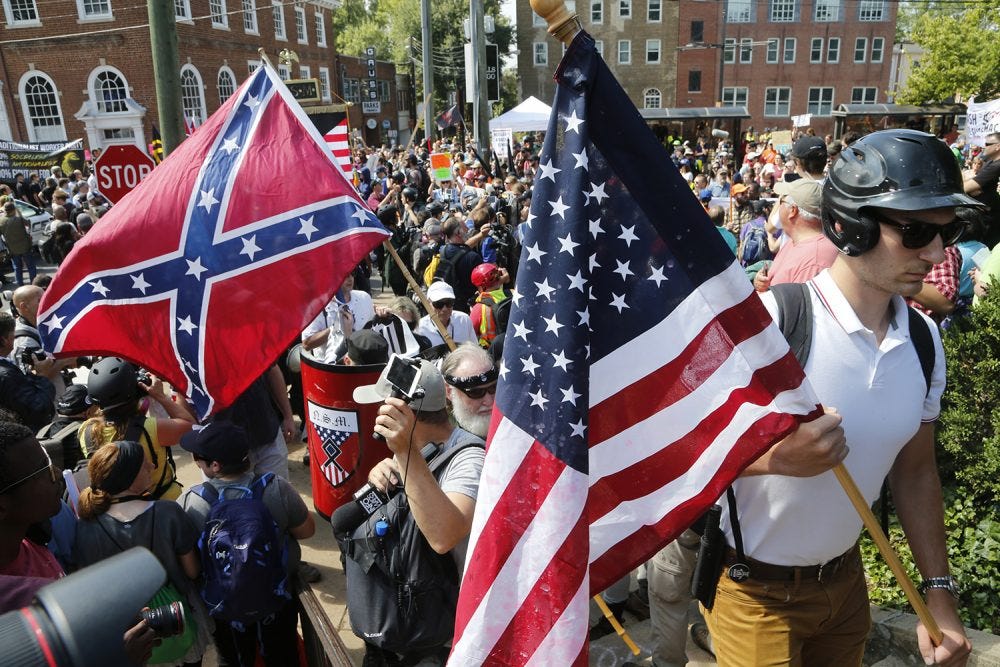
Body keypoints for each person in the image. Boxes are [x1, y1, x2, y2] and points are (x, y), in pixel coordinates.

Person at [703, 129, 976, 667]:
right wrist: (775, 459)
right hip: (754, 595)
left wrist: (939, 593)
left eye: (952, 231)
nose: (939, 252)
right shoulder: (772, 325)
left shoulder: (923, 342)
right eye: (917, 230)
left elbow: (916, 471)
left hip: (847, 586)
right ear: (851, 226)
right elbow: (676, 450)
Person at [351, 359, 485, 665]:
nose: (377, 413)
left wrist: (403, 451)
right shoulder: (417, 447)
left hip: (447, 631)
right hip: (413, 617)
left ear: (402, 411)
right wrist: (386, 470)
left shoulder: (469, 458)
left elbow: (443, 536)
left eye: (383, 405)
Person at [179, 422, 315, 667]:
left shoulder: (192, 503)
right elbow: (307, 530)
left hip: (224, 608)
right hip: (276, 599)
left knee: (233, 659)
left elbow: (192, 567)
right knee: (283, 655)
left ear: (215, 466)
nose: (196, 460)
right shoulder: (276, 488)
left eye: (198, 458)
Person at [74, 440, 210, 666]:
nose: (153, 466)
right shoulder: (168, 512)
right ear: (129, 477)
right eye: (144, 464)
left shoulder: (86, 527)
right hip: (177, 619)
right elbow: (193, 571)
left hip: (129, 633)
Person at [80, 357, 196, 500]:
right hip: (161, 504)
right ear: (135, 390)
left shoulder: (86, 430)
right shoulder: (151, 428)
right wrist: (160, 396)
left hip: (114, 508)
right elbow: (191, 427)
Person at [753, 178, 837, 291]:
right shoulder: (794, 241)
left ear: (793, 211)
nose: (777, 207)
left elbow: (797, 307)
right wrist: (763, 283)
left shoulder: (814, 260)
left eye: (781, 202)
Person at [0, 312, 55, 429]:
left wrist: (31, 377)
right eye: (13, 335)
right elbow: (39, 409)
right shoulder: (7, 375)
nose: (15, 338)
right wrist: (42, 375)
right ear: (4, 340)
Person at [440, 344, 497, 439]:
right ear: (449, 392)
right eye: (476, 393)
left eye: (493, 388)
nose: (489, 401)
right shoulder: (443, 438)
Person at [963, 132, 1000, 248]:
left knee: (984, 249)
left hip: (989, 216)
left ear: (997, 146)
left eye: (988, 144)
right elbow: (972, 184)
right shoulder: (989, 162)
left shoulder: (996, 166)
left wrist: (971, 187)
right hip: (983, 212)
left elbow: (966, 187)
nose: (984, 146)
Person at [415, 281, 477, 348]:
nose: (444, 309)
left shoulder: (464, 320)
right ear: (428, 303)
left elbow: (475, 348)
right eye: (439, 304)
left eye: (449, 303)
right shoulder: (420, 328)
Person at [0, 201, 35, 286]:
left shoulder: (1, 221)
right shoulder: (19, 219)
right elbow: (28, 224)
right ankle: (33, 284)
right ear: (13, 209)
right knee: (31, 266)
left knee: (17, 268)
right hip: (25, 246)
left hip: (12, 248)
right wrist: (19, 213)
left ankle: (20, 285)